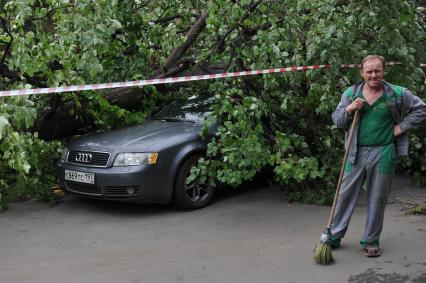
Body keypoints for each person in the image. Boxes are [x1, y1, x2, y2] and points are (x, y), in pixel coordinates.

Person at [330, 55, 426, 257]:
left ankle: (371, 241)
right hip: (354, 153)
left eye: (377, 70)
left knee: (377, 198)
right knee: (345, 195)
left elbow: (421, 109)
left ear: (384, 71)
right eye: (369, 71)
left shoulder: (397, 94)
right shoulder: (352, 93)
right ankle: (334, 235)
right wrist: (349, 109)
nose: (373, 75)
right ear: (362, 73)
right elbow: (338, 121)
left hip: (383, 152)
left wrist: (400, 128)